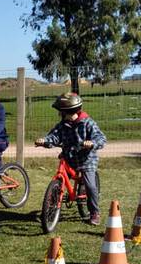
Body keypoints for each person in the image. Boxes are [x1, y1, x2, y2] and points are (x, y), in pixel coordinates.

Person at [34, 92, 106, 226]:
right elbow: (54, 137)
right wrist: (44, 141)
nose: (59, 114)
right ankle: (50, 209)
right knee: (58, 181)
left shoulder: (88, 123)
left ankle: (94, 212)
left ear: (68, 111)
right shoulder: (63, 124)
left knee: (90, 185)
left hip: (87, 159)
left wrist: (92, 143)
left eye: (61, 112)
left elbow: (101, 138)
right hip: (69, 158)